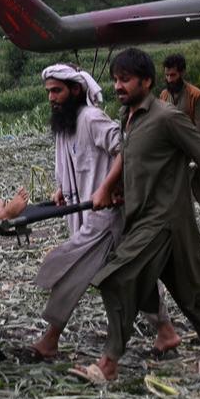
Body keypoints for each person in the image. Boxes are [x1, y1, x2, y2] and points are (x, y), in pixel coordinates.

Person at [74, 49, 200, 384]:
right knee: (192, 288)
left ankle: (108, 364)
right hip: (146, 217)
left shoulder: (167, 117)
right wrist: (110, 187)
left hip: (163, 219)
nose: (118, 86)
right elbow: (128, 156)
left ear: (147, 81)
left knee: (116, 278)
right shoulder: (131, 117)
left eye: (125, 80)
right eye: (115, 80)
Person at [28, 64, 179, 362]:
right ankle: (166, 330)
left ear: (76, 90)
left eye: (57, 91)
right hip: (83, 212)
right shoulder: (65, 123)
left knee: (71, 269)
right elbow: (69, 162)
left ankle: (50, 338)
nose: (51, 98)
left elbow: (126, 148)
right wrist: (61, 188)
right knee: (134, 275)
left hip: (105, 219)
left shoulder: (91, 118)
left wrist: (113, 187)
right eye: (48, 92)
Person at [158, 54, 200, 227]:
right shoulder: (163, 95)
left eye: (173, 75)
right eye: (167, 75)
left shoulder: (196, 96)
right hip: (174, 152)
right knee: (175, 192)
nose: (169, 79)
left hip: (195, 150)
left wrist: (196, 156)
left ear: (182, 73)